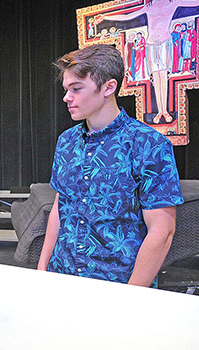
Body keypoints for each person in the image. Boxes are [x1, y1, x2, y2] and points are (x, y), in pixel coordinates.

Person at [37, 44, 184, 287]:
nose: (66, 97)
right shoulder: (66, 141)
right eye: (66, 89)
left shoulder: (148, 144)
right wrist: (42, 267)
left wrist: (131, 295)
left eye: (76, 89)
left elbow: (162, 231)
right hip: (62, 276)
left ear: (108, 87)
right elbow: (59, 205)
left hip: (117, 284)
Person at [96, 0, 199, 124]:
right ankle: (160, 111)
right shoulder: (149, 6)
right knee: (156, 78)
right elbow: (127, 16)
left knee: (163, 77)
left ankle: (164, 111)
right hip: (151, 45)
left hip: (164, 43)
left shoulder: (173, 3)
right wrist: (105, 16)